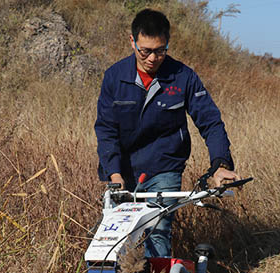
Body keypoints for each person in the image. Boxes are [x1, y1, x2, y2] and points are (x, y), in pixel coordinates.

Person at [95, 8, 240, 257]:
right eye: (146, 50)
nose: (153, 58)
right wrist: (115, 173)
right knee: (116, 237)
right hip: (123, 170)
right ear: (132, 42)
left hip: (164, 167)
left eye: (160, 50)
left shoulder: (183, 77)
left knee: (157, 231)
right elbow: (106, 130)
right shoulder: (114, 77)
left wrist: (220, 164)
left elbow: (211, 122)